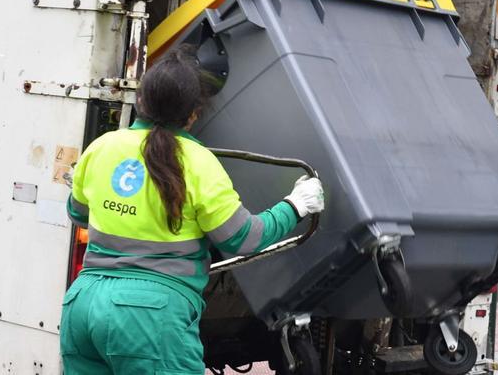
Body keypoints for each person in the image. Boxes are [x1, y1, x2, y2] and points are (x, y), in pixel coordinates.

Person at [59, 52, 325, 374]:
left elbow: (78, 214)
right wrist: (295, 206)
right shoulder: (198, 162)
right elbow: (244, 239)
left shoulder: (102, 148)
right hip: (151, 315)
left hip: (84, 306)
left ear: (140, 99)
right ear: (193, 115)